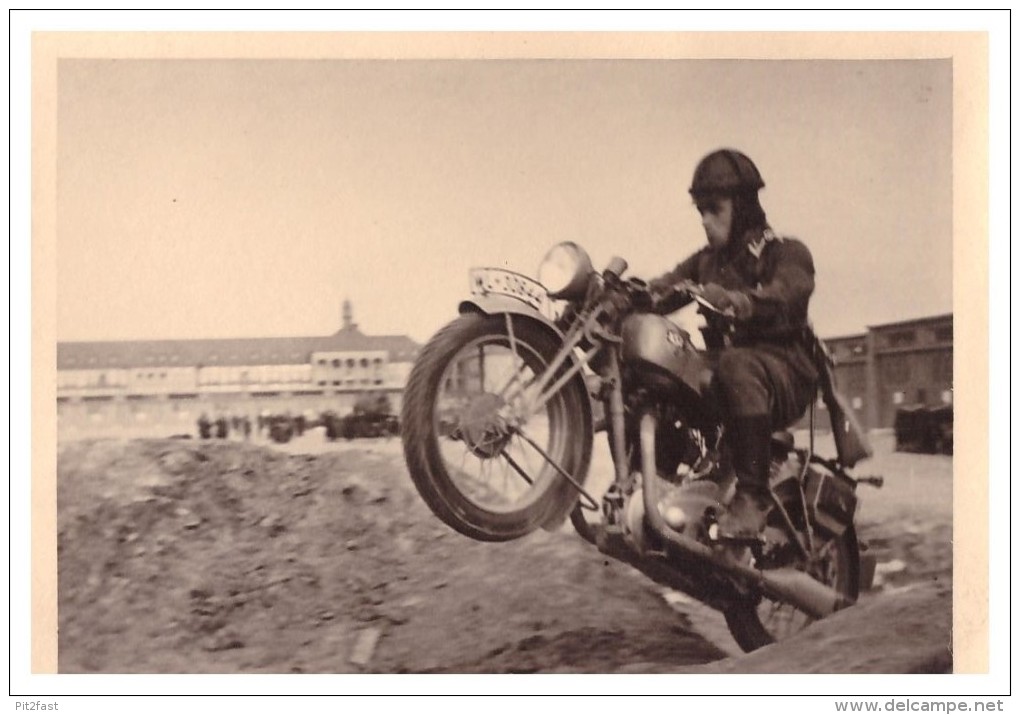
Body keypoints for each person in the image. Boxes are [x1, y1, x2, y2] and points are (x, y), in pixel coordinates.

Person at [648, 148, 819, 539]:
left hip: (787, 371)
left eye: (715, 209)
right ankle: (662, 480)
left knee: (735, 364)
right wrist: (628, 295)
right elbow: (667, 285)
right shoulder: (707, 262)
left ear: (742, 206)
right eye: (700, 211)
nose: (706, 221)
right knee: (666, 365)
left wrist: (742, 302)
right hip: (736, 372)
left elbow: (788, 292)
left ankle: (753, 497)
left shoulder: (784, 251)